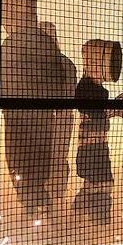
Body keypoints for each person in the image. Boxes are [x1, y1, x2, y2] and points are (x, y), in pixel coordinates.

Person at [1, 0, 75, 217]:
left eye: (10, 9)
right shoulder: (44, 49)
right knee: (41, 191)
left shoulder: (17, 44)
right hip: (42, 134)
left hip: (28, 134)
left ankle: (42, 224)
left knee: (32, 190)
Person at [72, 39, 123, 224]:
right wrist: (115, 107)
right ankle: (98, 225)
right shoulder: (85, 88)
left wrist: (115, 109)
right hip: (92, 150)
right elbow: (95, 113)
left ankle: (76, 219)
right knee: (103, 184)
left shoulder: (94, 88)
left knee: (93, 185)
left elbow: (97, 114)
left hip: (95, 148)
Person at [40, 21, 78, 207]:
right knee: (57, 161)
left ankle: (46, 205)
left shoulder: (41, 65)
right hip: (62, 121)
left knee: (48, 161)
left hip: (50, 121)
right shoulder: (68, 64)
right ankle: (55, 203)